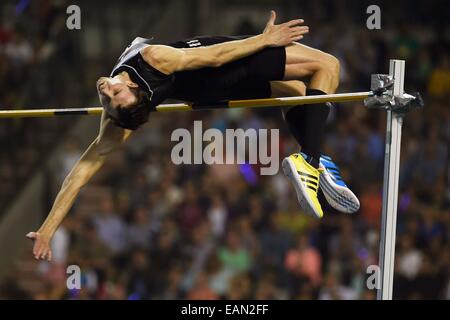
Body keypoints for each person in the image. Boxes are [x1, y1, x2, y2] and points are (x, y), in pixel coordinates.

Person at [27, 11, 359, 261]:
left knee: (295, 91)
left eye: (108, 100)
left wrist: (48, 229)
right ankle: (312, 160)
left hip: (205, 90)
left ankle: (315, 159)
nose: (107, 93)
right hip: (227, 65)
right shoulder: (152, 59)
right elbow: (214, 56)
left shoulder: (118, 115)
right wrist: (264, 40)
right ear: (131, 88)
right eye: (115, 96)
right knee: (327, 66)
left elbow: (81, 173)